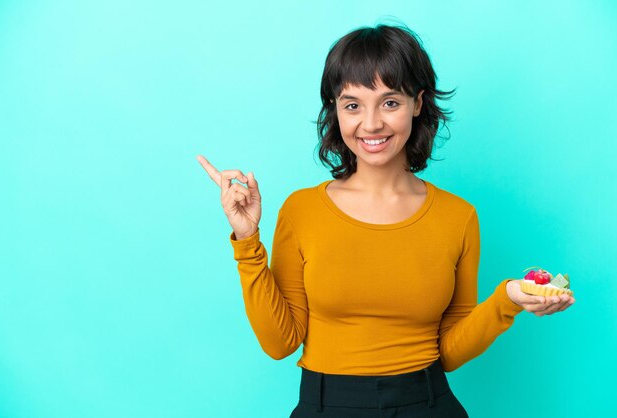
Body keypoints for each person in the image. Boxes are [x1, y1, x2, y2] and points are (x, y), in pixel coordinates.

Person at [197, 23, 575, 418]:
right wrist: (247, 240)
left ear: (417, 102)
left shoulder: (458, 217)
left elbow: (449, 352)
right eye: (353, 105)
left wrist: (507, 300)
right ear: (336, 110)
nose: (372, 123)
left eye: (390, 102)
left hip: (427, 404)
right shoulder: (301, 210)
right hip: (327, 405)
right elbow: (280, 342)